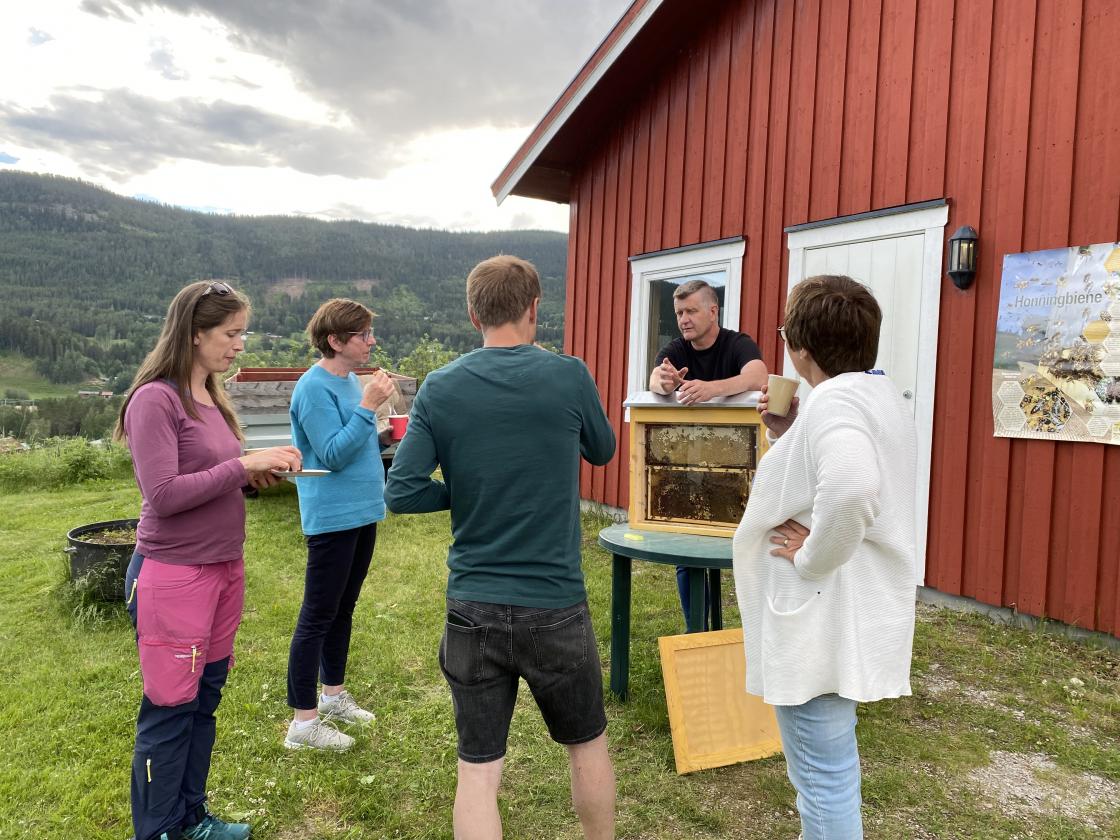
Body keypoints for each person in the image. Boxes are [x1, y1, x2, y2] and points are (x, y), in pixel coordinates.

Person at [384, 255, 617, 840]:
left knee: (478, 768)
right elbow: (603, 450)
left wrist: (464, 492)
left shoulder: (440, 387)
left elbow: (403, 491)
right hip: (555, 603)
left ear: (473, 315)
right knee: (586, 745)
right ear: (534, 308)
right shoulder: (569, 375)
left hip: (473, 607)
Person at [115, 280, 302, 840]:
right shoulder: (155, 399)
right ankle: (160, 831)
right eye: (231, 333)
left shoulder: (211, 398)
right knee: (170, 709)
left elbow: (209, 477)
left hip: (223, 568)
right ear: (195, 333)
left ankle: (192, 819)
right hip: (175, 575)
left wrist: (249, 478)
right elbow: (163, 494)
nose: (240, 344)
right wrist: (241, 467)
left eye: (242, 332)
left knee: (204, 700)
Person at [732, 275, 917, 840]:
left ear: (801, 348)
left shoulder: (835, 401)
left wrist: (811, 557)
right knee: (831, 771)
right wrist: (791, 431)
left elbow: (852, 486)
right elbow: (832, 471)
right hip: (842, 608)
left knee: (821, 778)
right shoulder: (872, 394)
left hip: (818, 610)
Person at [283, 299, 397, 751]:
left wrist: (385, 430)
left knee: (342, 608)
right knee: (317, 615)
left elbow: (356, 440)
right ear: (335, 340)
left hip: (362, 510)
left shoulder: (350, 381)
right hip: (332, 516)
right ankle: (302, 723)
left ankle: (332, 696)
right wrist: (369, 407)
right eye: (362, 334)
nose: (371, 341)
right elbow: (331, 454)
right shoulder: (313, 389)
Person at [647, 278, 768, 629]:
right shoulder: (675, 349)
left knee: (750, 551)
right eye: (678, 313)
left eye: (691, 311)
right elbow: (655, 378)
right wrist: (663, 384)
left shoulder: (737, 343)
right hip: (690, 465)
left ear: (713, 311)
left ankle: (752, 634)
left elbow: (758, 374)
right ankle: (696, 632)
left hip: (740, 465)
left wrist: (712, 389)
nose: (683, 319)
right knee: (688, 553)